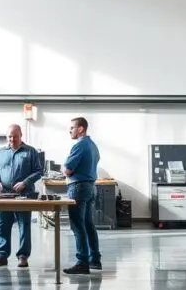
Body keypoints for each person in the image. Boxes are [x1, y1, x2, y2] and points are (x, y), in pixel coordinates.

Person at [0, 124, 43, 268]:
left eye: (15, 136)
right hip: (4, 195)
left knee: (24, 225)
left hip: (24, 195)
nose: (12, 139)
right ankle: (1, 255)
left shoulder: (30, 152)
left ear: (21, 135)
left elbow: (38, 171)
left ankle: (23, 256)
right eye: (9, 136)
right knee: (2, 225)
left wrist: (25, 182)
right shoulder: (0, 152)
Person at [62, 117, 102, 275]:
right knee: (88, 225)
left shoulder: (79, 145)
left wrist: (65, 168)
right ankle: (95, 260)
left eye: (72, 127)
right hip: (91, 187)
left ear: (81, 129)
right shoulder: (93, 146)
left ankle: (82, 262)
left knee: (77, 225)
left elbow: (67, 170)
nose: (70, 130)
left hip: (78, 187)